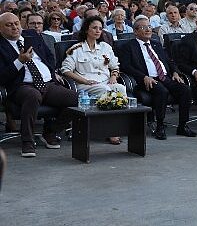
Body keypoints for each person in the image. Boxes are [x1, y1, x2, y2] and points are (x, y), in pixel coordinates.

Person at [0, 12, 75, 157]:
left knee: (75, 99)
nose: (15, 27)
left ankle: (51, 131)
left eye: (16, 23)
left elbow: (49, 57)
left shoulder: (32, 35)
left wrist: (52, 74)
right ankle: (27, 141)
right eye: (9, 25)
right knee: (32, 96)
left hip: (47, 83)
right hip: (22, 86)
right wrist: (20, 61)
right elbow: (2, 77)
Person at [119, 16, 197, 140]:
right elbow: (126, 66)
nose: (148, 29)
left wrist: (175, 72)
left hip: (165, 77)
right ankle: (160, 126)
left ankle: (183, 125)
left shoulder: (156, 44)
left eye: (149, 27)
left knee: (185, 90)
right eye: (143, 27)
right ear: (135, 31)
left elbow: (169, 61)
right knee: (162, 91)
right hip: (146, 80)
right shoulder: (129, 46)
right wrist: (144, 76)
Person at [61, 15, 125, 144]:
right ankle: (109, 131)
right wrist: (84, 81)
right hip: (85, 84)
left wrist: (113, 76)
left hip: (105, 82)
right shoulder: (77, 49)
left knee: (120, 88)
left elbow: (115, 65)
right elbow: (65, 70)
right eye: (94, 28)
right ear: (86, 30)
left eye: (100, 28)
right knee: (105, 90)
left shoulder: (105, 47)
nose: (97, 31)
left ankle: (117, 127)